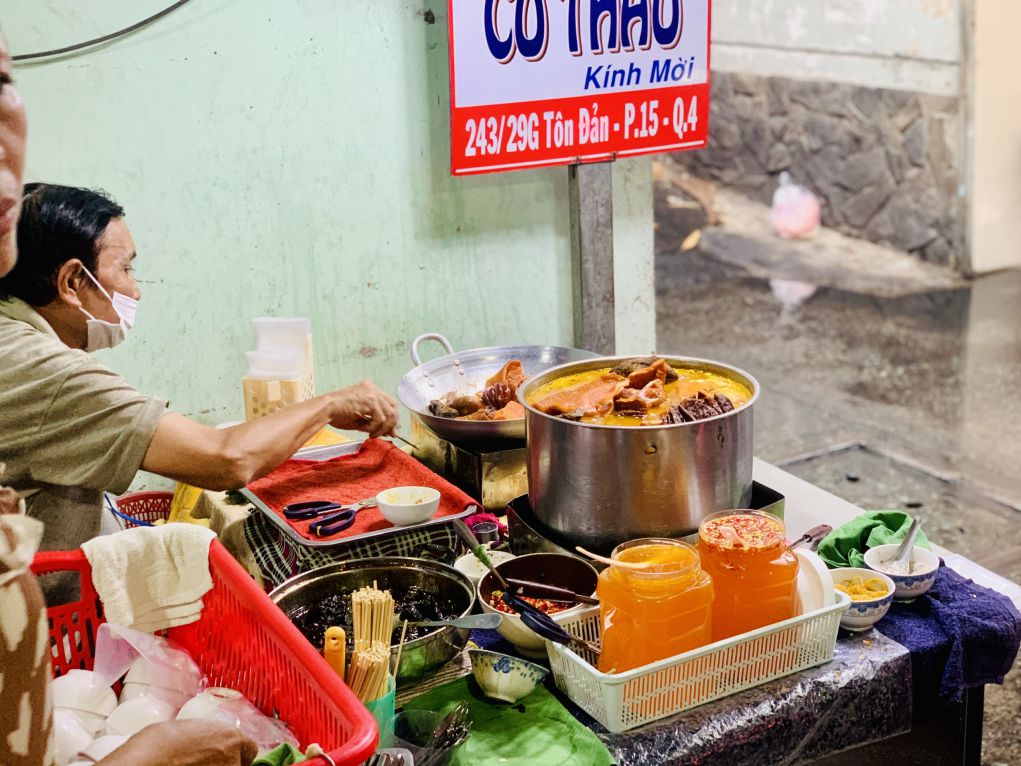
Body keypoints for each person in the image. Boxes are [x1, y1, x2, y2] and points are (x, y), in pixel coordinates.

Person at [0, 182, 399, 565]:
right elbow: (226, 460)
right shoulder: (46, 373)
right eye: (125, 269)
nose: (135, 291)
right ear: (72, 281)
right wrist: (329, 403)